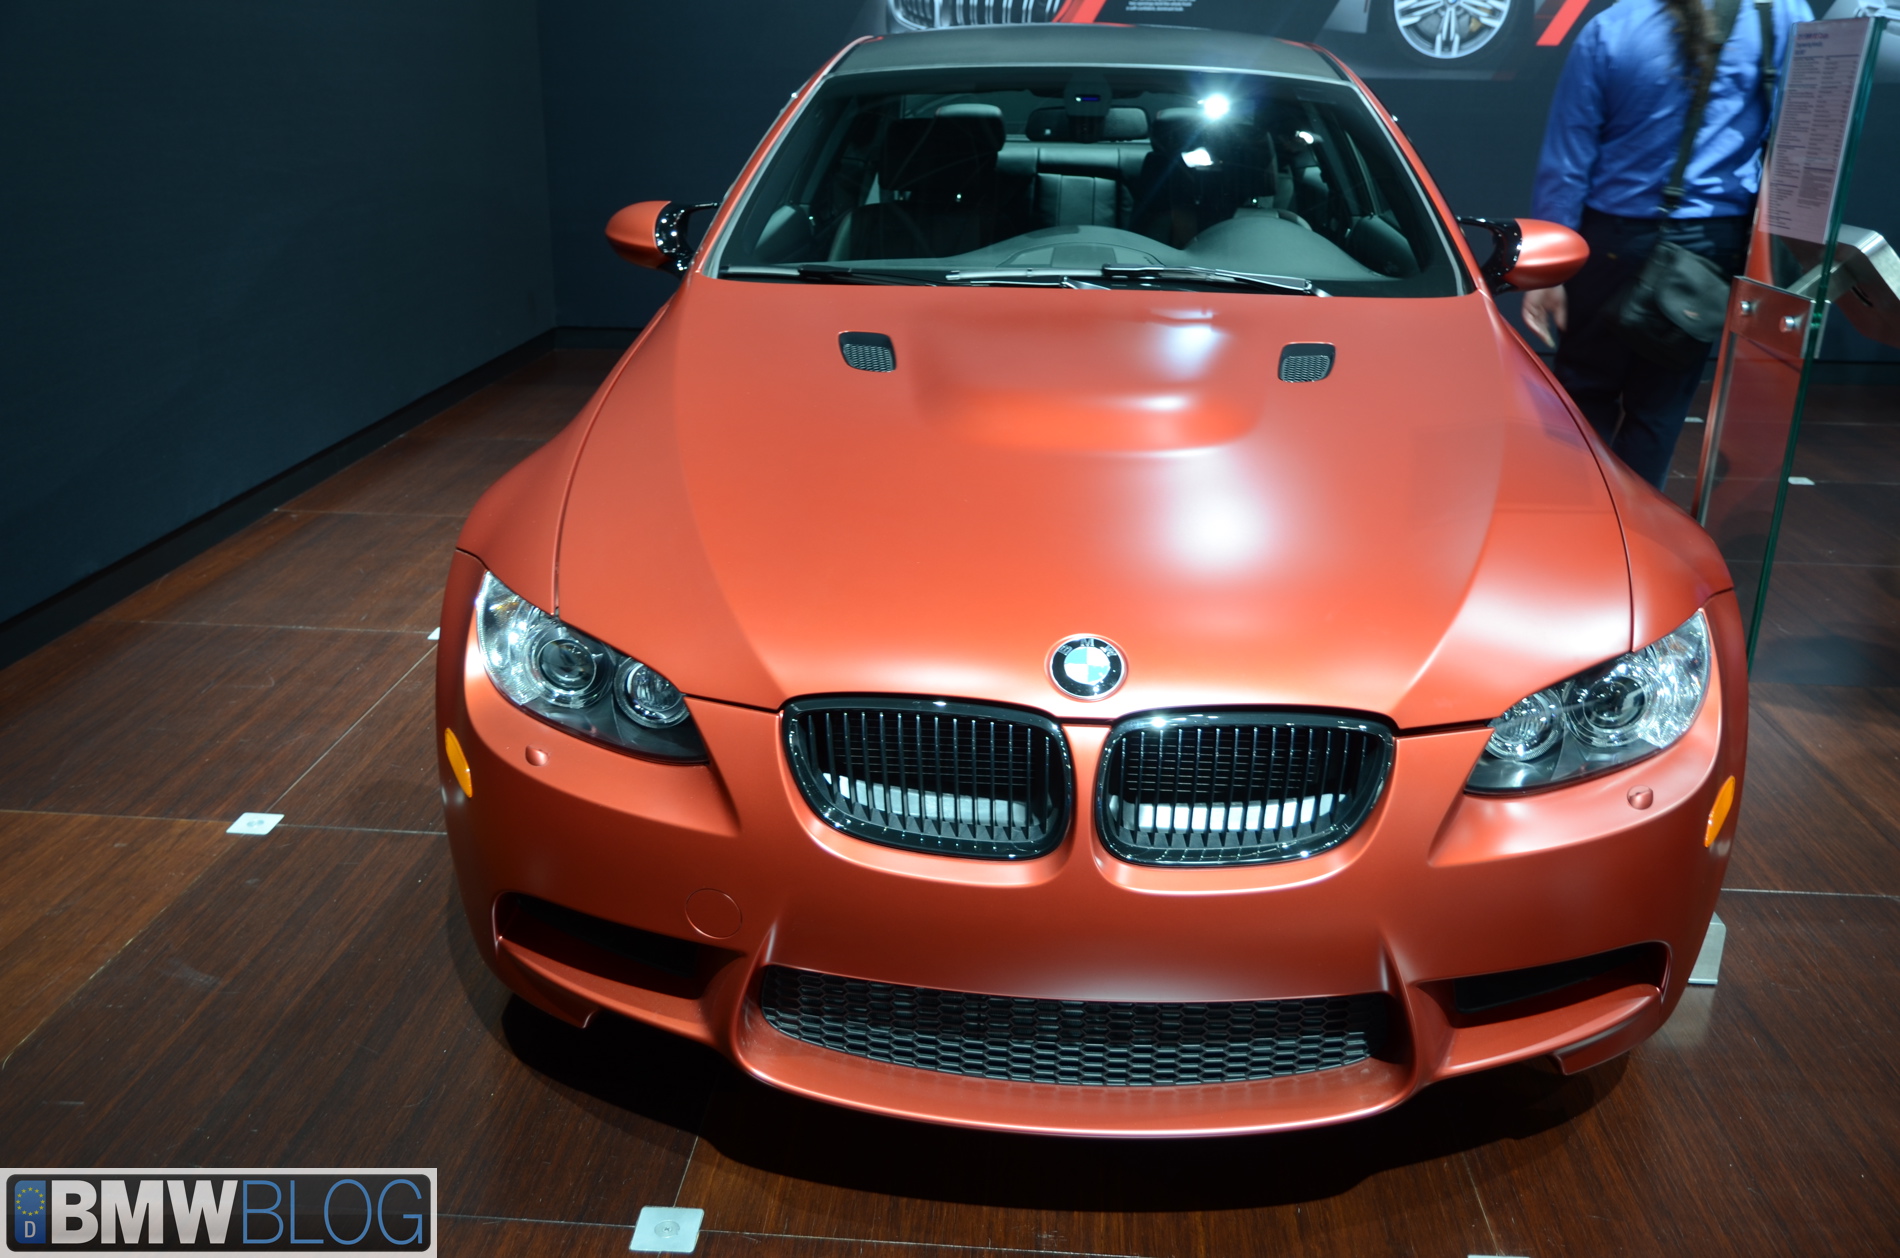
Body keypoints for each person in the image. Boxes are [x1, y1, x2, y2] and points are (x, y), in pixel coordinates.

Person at [1522, 0, 1810, 490]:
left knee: (1585, 392)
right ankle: (1635, 540)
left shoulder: (1613, 28)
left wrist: (1544, 268)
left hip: (1610, 241)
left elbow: (1569, 160)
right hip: (1709, 247)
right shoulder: (1783, 15)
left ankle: (1574, 519)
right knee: (1660, 408)